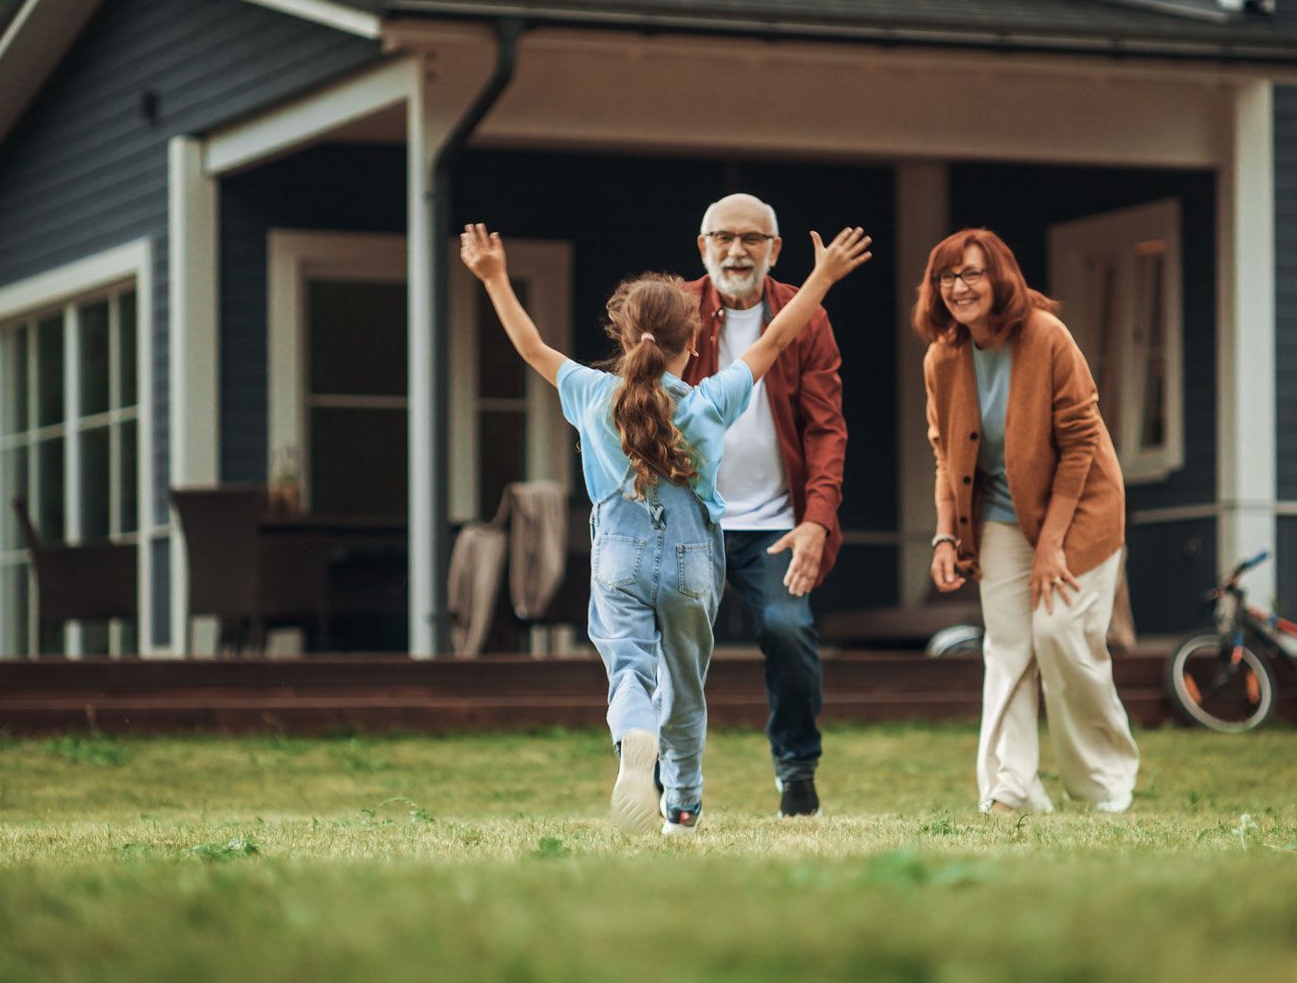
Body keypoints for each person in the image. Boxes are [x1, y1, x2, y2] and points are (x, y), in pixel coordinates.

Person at [459, 222, 871, 836]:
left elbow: (530, 346)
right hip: (690, 562)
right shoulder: (709, 402)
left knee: (629, 668)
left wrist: (493, 277)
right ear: (696, 338)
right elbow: (780, 336)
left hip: (618, 557)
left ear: (623, 336)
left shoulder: (591, 393)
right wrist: (824, 277)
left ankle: (634, 736)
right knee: (684, 684)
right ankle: (681, 807)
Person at [915, 228, 1140, 815]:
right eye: (947, 277)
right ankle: (1012, 786)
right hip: (999, 516)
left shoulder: (1046, 336)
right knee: (1009, 645)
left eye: (972, 273)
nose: (959, 287)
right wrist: (945, 533)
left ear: (1001, 277)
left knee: (1062, 635)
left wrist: (1052, 546)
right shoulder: (943, 357)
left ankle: (1102, 783)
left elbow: (1081, 441)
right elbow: (947, 454)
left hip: (1084, 509)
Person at [682, 194, 845, 819]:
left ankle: (797, 770)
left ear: (775, 250)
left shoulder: (804, 317)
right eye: (722, 237)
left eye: (752, 239)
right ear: (703, 247)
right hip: (693, 520)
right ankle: (670, 780)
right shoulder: (678, 308)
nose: (736, 250)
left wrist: (815, 520)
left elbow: (827, 429)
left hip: (776, 523)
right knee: (674, 645)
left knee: (788, 630)